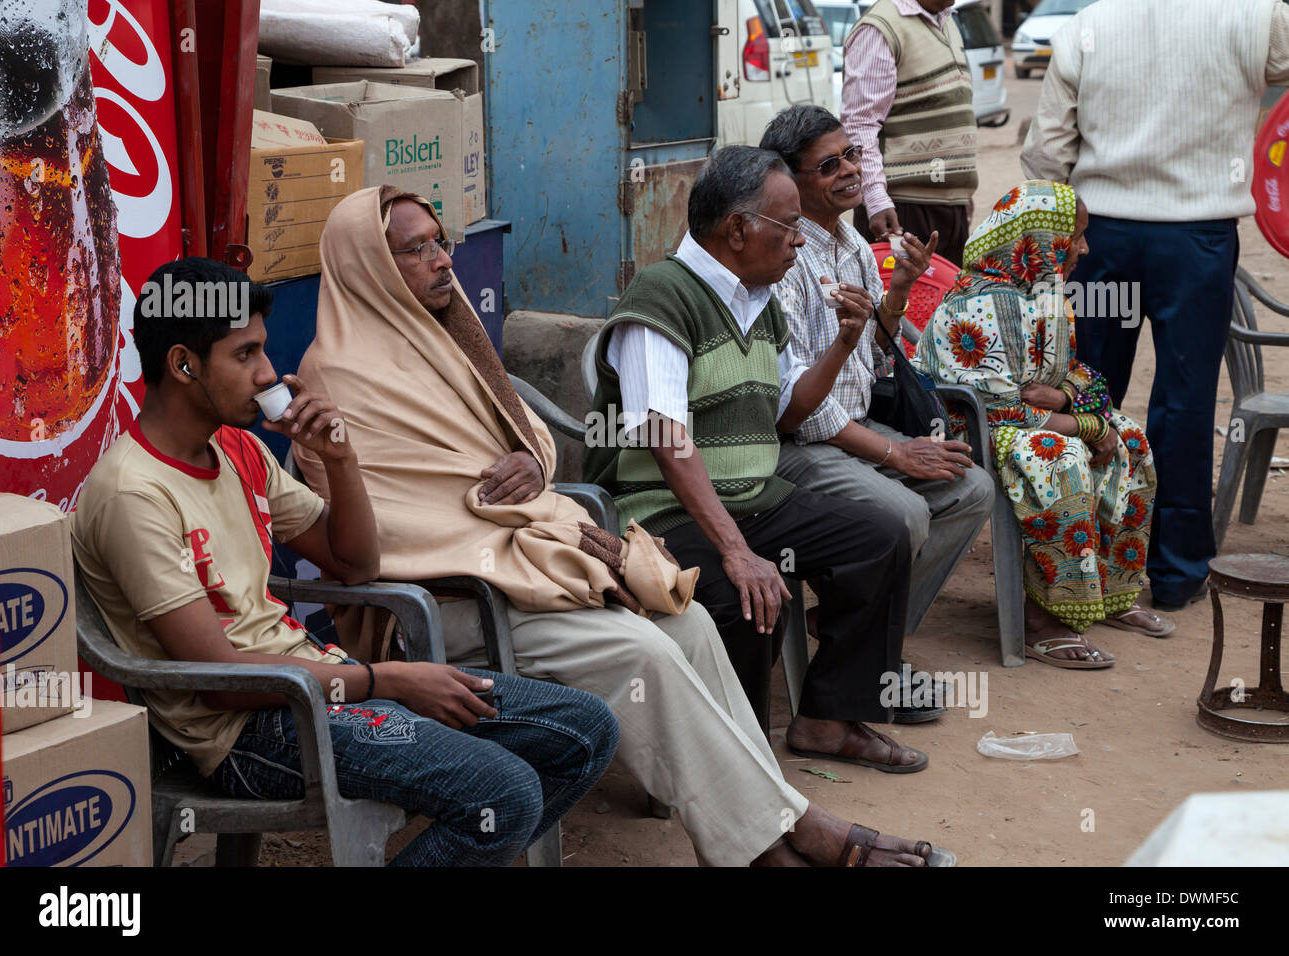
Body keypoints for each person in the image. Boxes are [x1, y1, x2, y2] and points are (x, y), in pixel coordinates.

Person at [294, 184, 954, 867]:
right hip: (452, 602)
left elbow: (526, 445)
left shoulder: (443, 338)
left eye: (442, 242)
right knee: (645, 653)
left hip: (527, 566)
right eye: (417, 249)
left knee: (690, 624)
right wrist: (513, 512)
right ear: (369, 265)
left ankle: (772, 830)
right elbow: (399, 525)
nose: (442, 261)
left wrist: (526, 460)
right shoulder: (336, 379)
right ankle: (783, 838)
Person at [71, 256, 621, 867]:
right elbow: (222, 682)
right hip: (252, 734)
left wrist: (339, 458)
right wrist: (387, 682)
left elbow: (354, 565)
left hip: (323, 688)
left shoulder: (238, 449)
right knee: (507, 793)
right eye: (245, 354)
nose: (267, 373)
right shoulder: (134, 493)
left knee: (585, 729)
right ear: (182, 364)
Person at [584, 145, 943, 776]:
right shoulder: (664, 296)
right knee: (743, 590)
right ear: (738, 229)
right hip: (661, 513)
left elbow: (790, 410)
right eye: (788, 227)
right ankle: (735, 761)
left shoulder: (760, 299)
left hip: (754, 498)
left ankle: (828, 719)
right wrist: (734, 547)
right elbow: (668, 437)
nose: (799, 243)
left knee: (879, 535)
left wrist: (844, 342)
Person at [1020, 0, 1289, 611]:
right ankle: (1175, 571)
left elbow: (1045, 151)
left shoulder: (1086, 25)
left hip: (1103, 240)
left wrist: (1073, 222)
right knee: (1186, 399)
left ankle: (1086, 561)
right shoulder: (1255, 18)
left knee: (1091, 394)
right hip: (1197, 240)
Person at [761, 104, 993, 663]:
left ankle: (857, 621)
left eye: (852, 155)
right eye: (828, 165)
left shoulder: (857, 245)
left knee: (971, 490)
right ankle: (862, 648)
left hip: (856, 424)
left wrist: (899, 291)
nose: (849, 171)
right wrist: (895, 452)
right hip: (802, 443)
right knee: (905, 512)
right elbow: (796, 410)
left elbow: (872, 349)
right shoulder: (782, 258)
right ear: (790, 181)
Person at [913, 181, 1173, 669]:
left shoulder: (1044, 290)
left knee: (1133, 439)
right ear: (1038, 238)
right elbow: (999, 410)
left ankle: (1112, 593)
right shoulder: (979, 304)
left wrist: (1072, 399)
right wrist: (1089, 427)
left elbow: (1080, 376)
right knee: (1058, 455)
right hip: (971, 430)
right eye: (1075, 236)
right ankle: (1044, 618)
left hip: (1024, 416)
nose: (1084, 248)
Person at [842, 0, 977, 266]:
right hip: (902, 208)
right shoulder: (881, 27)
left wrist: (962, 194)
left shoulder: (947, 22)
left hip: (949, 207)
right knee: (903, 303)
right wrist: (877, 200)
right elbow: (859, 124)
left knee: (946, 302)